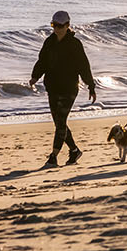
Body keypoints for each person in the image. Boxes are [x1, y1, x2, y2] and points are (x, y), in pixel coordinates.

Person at [29, 10, 97, 167]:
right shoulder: (49, 42)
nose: (57, 29)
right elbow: (42, 61)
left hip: (69, 88)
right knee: (59, 123)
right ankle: (74, 151)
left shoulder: (74, 44)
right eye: (54, 25)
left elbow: (84, 66)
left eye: (60, 26)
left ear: (68, 25)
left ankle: (53, 157)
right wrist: (35, 76)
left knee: (60, 123)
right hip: (52, 87)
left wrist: (91, 86)